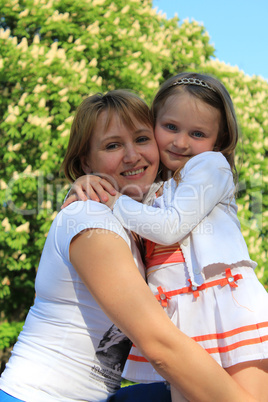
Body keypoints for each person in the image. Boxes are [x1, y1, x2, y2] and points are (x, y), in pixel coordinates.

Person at [0, 89, 257, 402]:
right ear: (86, 160)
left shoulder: (140, 219)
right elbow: (159, 345)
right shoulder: (88, 216)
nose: (132, 155)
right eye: (112, 145)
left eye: (141, 139)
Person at [63, 74, 268, 402]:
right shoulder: (157, 187)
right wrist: (87, 182)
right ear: (153, 124)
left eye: (198, 133)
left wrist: (112, 200)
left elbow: (169, 226)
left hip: (227, 303)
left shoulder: (210, 166)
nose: (182, 142)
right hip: (182, 314)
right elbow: (121, 186)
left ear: (217, 142)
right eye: (170, 127)